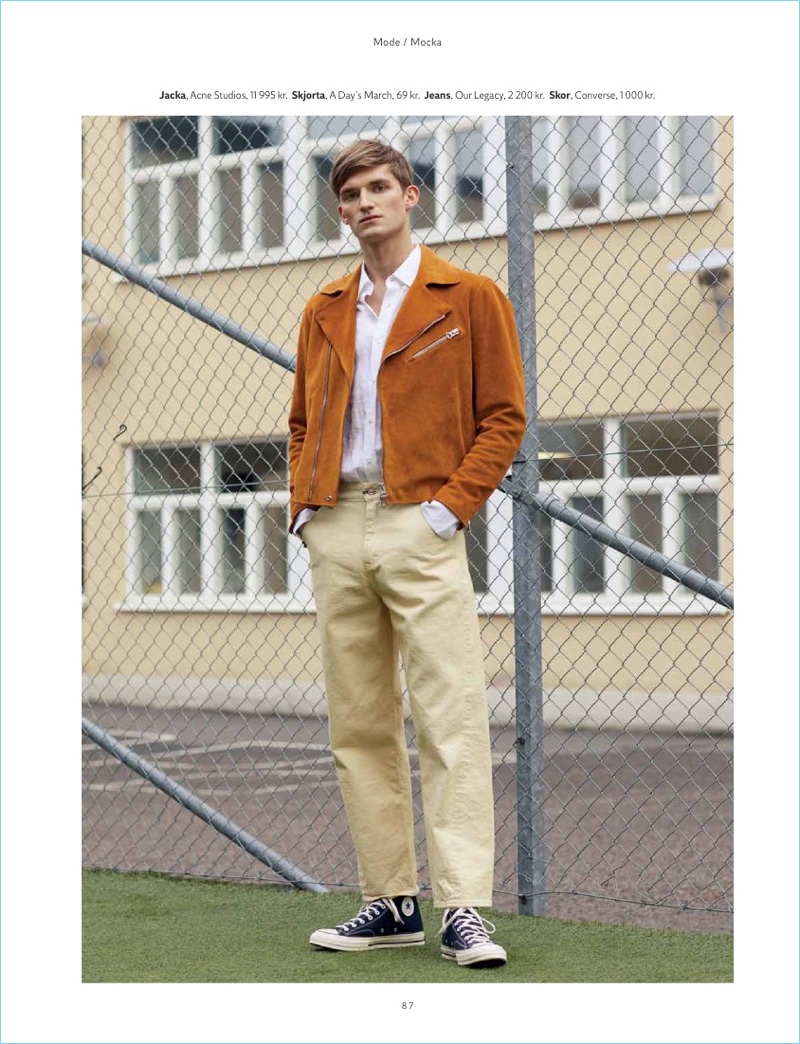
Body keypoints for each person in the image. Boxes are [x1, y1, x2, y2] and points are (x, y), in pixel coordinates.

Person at [288, 139, 525, 969]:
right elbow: (301, 420)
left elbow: (504, 417)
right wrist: (305, 508)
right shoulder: (324, 306)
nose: (364, 203)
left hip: (421, 523)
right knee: (358, 723)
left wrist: (448, 510)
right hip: (337, 521)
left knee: (449, 717)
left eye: (378, 188)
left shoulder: (469, 297)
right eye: (350, 193)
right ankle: (388, 902)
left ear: (410, 195)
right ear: (340, 210)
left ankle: (463, 910)